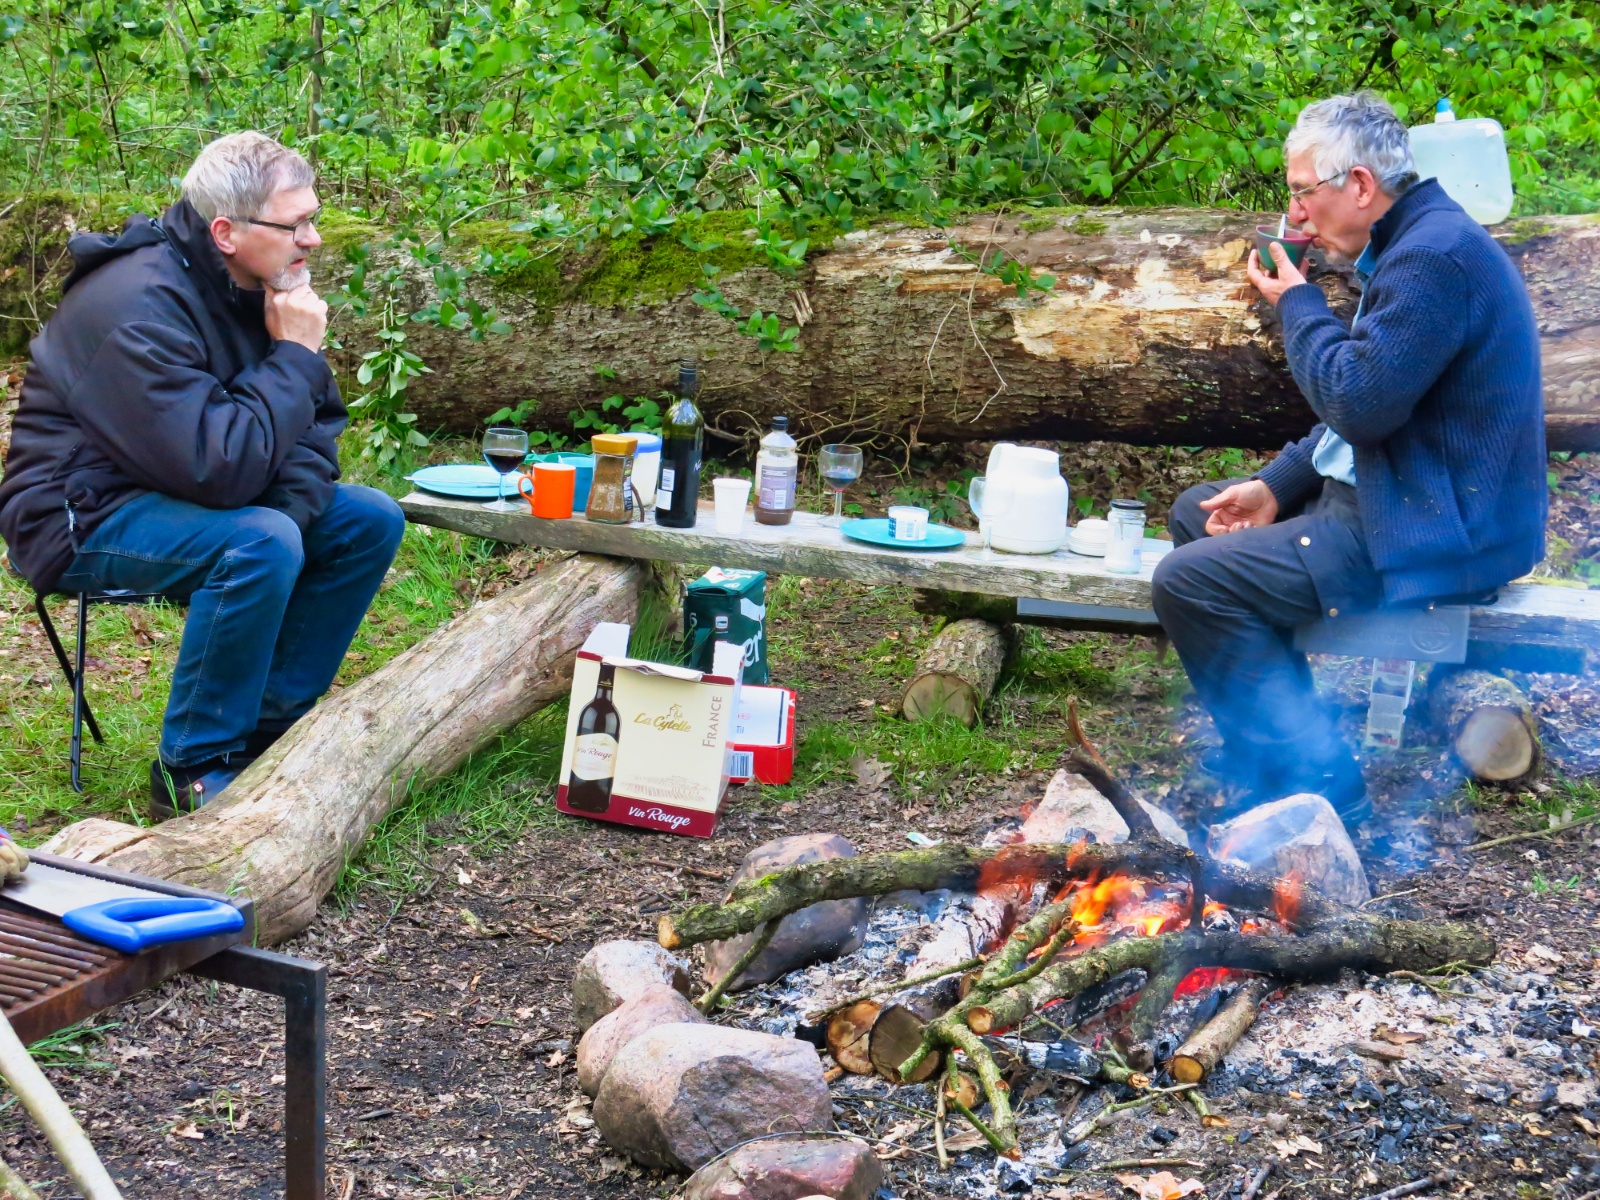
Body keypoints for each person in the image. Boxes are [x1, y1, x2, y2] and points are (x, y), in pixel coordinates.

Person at [1151, 92, 1545, 828]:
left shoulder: (1433, 259)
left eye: (1304, 193)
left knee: (1189, 582)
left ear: (1360, 185)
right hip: (1407, 493)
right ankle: (1280, 747)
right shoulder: (1414, 242)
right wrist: (1276, 485)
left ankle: (1322, 790)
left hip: (1435, 526)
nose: (1296, 215)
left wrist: (1298, 303)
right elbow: (1370, 413)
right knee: (1197, 516)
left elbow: (1360, 402)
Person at [0, 132, 405, 819]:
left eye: (314, 219)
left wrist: (285, 505)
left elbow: (313, 431)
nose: (312, 240)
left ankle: (270, 731)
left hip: (179, 482)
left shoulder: (256, 287)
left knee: (368, 519)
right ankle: (195, 764)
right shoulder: (135, 305)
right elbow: (217, 470)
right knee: (258, 540)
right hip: (79, 511)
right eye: (296, 223)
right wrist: (296, 358)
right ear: (226, 231)